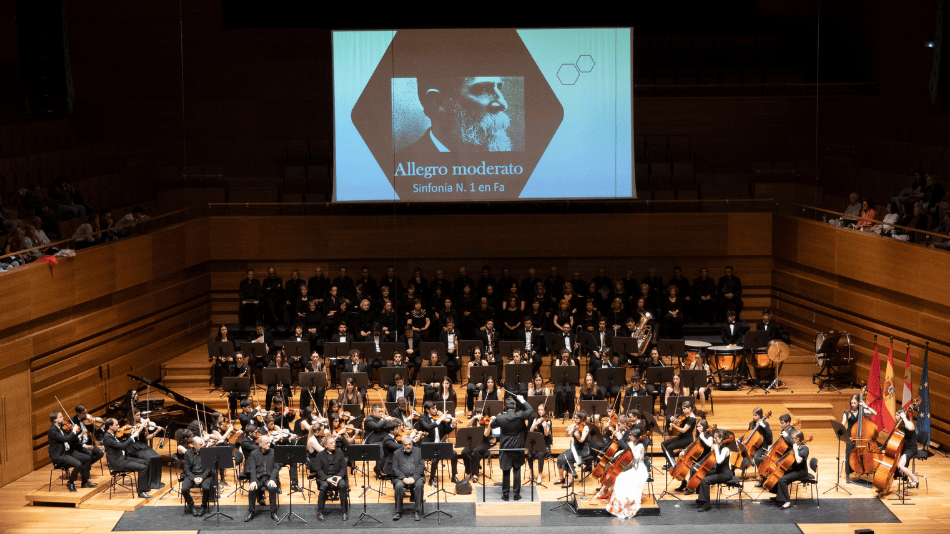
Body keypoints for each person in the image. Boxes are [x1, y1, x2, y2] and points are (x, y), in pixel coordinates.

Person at [396, 76, 513, 160]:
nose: (503, 104)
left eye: (499, 88)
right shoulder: (400, 164)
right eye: (482, 90)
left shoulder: (506, 163)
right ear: (438, 101)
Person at [489, 394, 533, 500]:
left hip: (505, 448)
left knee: (506, 470)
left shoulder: (500, 417)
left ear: (505, 407)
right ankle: (517, 495)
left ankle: (505, 494)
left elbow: (492, 426)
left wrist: (495, 419)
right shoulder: (520, 415)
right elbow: (530, 409)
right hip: (518, 448)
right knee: (516, 470)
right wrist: (522, 400)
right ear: (514, 407)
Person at [101, 418, 152, 498]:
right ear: (111, 426)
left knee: (145, 462)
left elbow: (123, 445)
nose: (119, 426)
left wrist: (131, 434)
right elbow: (122, 446)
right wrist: (132, 437)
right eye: (117, 425)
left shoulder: (111, 435)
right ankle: (141, 492)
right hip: (118, 463)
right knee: (143, 468)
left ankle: (145, 486)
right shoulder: (107, 438)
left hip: (122, 458)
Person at [605, 428, 649, 519]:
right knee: (620, 476)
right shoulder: (634, 444)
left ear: (636, 437)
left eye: (631, 436)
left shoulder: (640, 445)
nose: (629, 437)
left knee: (622, 478)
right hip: (634, 469)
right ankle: (618, 502)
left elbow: (636, 457)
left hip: (640, 471)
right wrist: (618, 454)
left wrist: (631, 446)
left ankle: (626, 502)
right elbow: (628, 453)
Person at [47, 411, 94, 492]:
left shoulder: (61, 428)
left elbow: (71, 438)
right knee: (78, 464)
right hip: (60, 455)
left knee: (87, 458)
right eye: (61, 417)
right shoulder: (52, 430)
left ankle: (85, 482)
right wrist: (73, 431)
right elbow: (66, 439)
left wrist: (78, 432)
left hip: (68, 452)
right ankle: (70, 483)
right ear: (55, 419)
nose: (63, 418)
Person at [244, 434, 281, 522]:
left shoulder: (274, 452)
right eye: (266, 443)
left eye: (269, 442)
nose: (269, 444)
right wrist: (253, 481)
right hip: (258, 478)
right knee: (252, 489)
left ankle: (273, 512)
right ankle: (251, 512)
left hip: (269, 477)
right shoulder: (254, 454)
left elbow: (276, 467)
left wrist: (272, 479)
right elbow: (252, 469)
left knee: (272, 488)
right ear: (260, 444)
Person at [695, 429, 734, 513]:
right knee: (702, 474)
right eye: (714, 437)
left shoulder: (725, 449)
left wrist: (716, 448)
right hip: (719, 471)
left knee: (705, 481)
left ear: (722, 439)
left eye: (716, 437)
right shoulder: (719, 446)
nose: (714, 439)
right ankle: (702, 499)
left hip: (725, 473)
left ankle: (707, 505)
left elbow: (719, 461)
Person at [769, 430, 810, 509]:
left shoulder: (805, 448)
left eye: (793, 438)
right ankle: (779, 497)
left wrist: (796, 450)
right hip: (794, 469)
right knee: (779, 475)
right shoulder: (797, 446)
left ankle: (786, 501)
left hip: (801, 471)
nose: (791, 440)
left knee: (783, 479)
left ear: (797, 439)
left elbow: (799, 460)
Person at [314, 434, 349, 522]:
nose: (334, 444)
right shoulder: (319, 455)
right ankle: (320, 512)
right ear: (325, 445)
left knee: (342, 485)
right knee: (324, 486)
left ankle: (344, 511)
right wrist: (327, 478)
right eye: (331, 443)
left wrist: (339, 477)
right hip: (325, 478)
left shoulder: (339, 452)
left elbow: (344, 468)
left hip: (337, 477)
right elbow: (318, 470)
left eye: (334, 442)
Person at [842, 394, 877, 481]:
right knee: (848, 454)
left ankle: (863, 468)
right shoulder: (847, 413)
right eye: (852, 403)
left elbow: (874, 413)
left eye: (855, 403)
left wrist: (866, 406)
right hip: (850, 436)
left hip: (861, 436)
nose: (853, 405)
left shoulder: (862, 411)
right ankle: (847, 475)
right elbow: (843, 423)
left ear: (858, 403)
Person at [392, 434, 425, 521]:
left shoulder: (419, 451)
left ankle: (417, 511)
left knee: (419, 485)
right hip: (402, 478)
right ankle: (398, 511)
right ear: (402, 444)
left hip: (416, 477)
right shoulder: (396, 453)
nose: (408, 446)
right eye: (406, 445)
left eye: (410, 444)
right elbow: (395, 468)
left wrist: (414, 478)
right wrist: (404, 478)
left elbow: (422, 466)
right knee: (398, 486)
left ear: (412, 444)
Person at [555, 410, 590, 488]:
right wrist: (567, 431)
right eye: (574, 417)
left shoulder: (585, 427)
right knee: (560, 457)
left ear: (582, 419)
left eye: (577, 418)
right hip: (575, 448)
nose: (575, 419)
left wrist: (578, 437)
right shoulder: (574, 425)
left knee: (567, 458)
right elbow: (566, 435)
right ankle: (561, 478)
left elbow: (582, 440)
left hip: (583, 450)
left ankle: (569, 481)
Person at [181, 437, 213, 516]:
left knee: (206, 488)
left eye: (203, 444)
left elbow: (209, 469)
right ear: (194, 445)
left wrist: (202, 477)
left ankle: (203, 507)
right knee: (184, 489)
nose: (203, 446)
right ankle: (192, 506)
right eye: (200, 444)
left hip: (203, 475)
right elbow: (186, 469)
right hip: (192, 475)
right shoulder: (188, 453)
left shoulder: (207, 452)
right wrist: (193, 478)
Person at [661, 400, 696, 468]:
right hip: (681, 436)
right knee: (663, 444)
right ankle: (670, 462)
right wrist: (674, 420)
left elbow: (683, 430)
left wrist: (675, 426)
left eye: (684, 409)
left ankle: (672, 465)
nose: (683, 410)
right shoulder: (686, 415)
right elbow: (680, 422)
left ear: (690, 408)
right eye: (682, 408)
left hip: (687, 439)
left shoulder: (692, 418)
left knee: (669, 447)